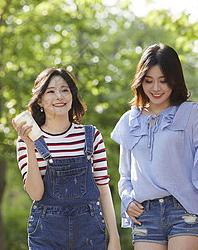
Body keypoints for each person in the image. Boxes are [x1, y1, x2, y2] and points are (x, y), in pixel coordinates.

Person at [111, 43, 198, 249]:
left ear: (174, 80)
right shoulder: (129, 121)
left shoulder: (189, 113)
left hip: (186, 210)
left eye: (163, 81)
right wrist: (127, 200)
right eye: (149, 81)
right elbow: (125, 174)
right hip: (145, 214)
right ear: (140, 81)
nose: (156, 88)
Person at [13, 67, 121, 250]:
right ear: (39, 99)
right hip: (46, 235)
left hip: (90, 233)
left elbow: (103, 188)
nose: (59, 97)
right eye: (51, 91)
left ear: (72, 96)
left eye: (65, 90)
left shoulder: (91, 135)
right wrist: (30, 146)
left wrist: (115, 238)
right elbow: (35, 194)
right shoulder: (26, 140)